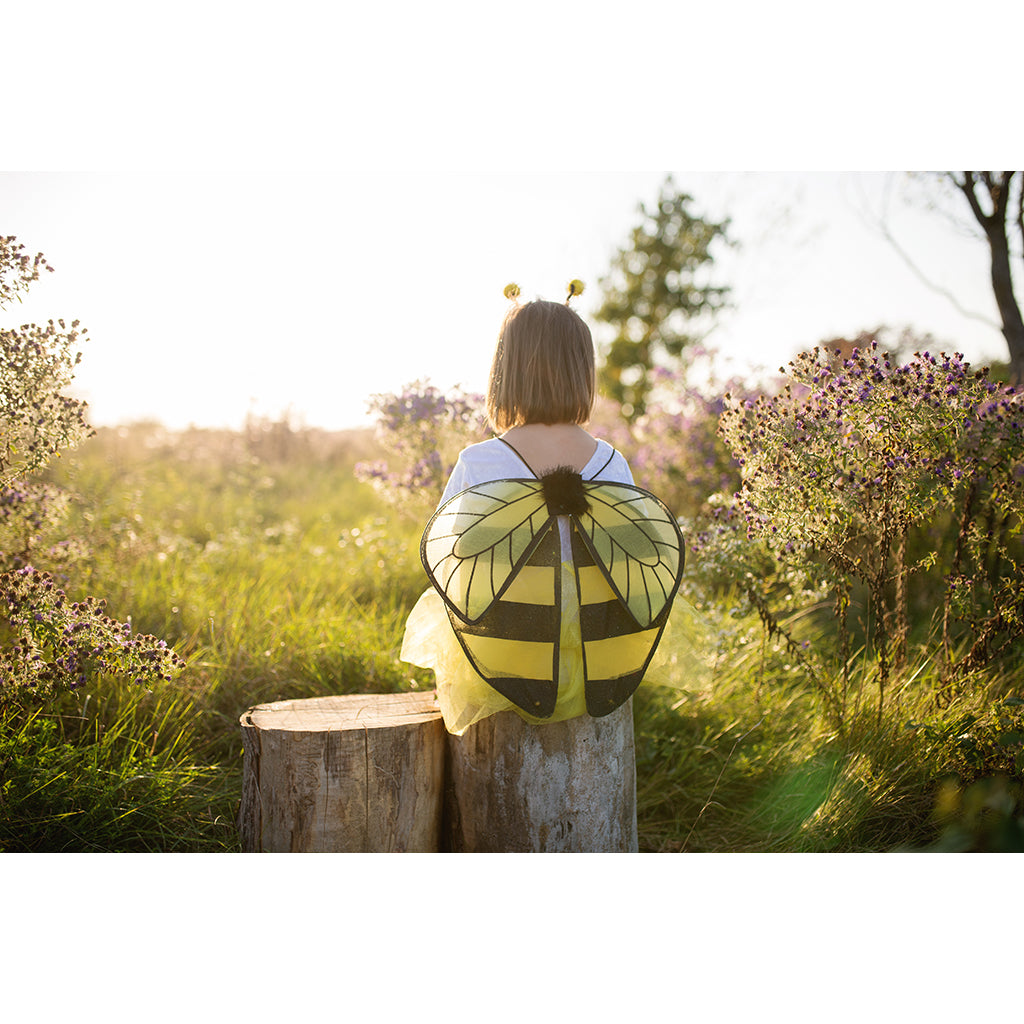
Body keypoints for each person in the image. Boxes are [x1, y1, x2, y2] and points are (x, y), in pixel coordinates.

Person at [400, 281, 686, 735]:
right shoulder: (611, 461)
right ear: (582, 371)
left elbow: (447, 563)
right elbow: (636, 562)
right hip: (599, 659)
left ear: (505, 370)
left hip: (506, 656)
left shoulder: (479, 462)